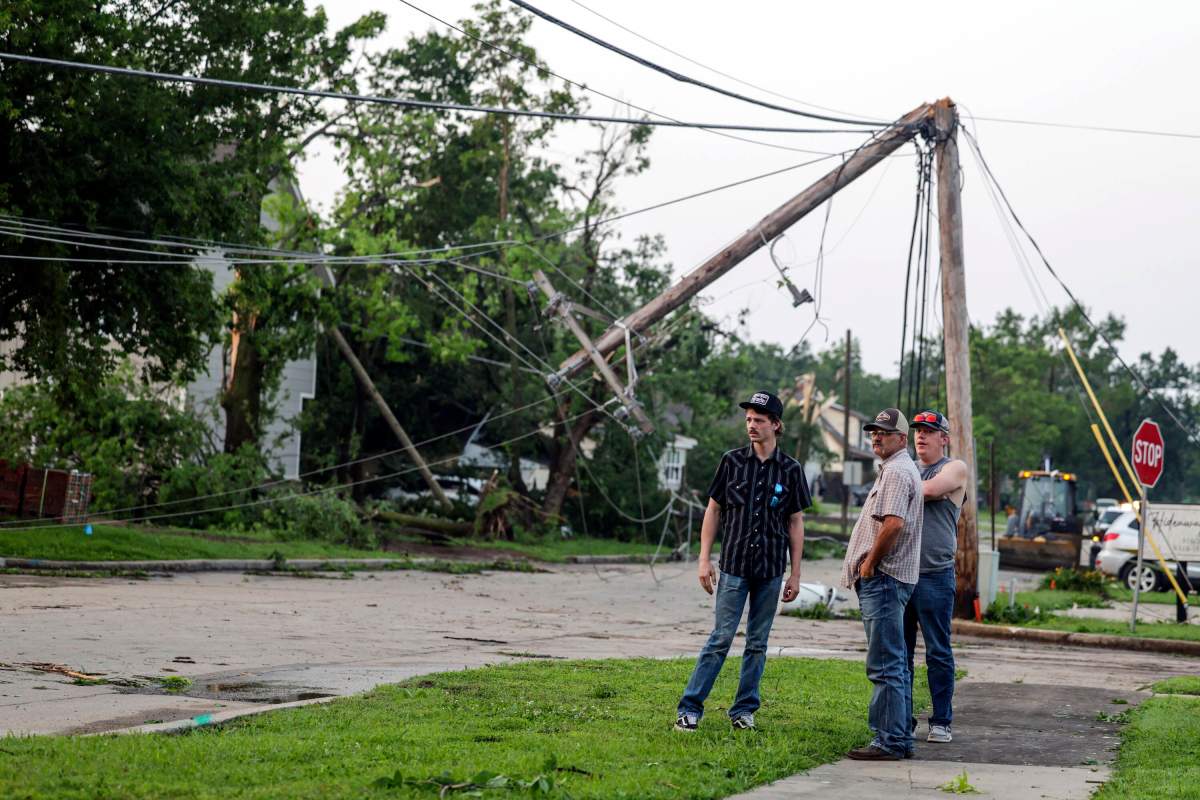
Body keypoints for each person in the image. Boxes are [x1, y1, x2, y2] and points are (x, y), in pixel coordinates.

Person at [675, 390, 811, 732]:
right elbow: (714, 510)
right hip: (733, 566)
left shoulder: (791, 470)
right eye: (749, 419)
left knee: (757, 643)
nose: (752, 425)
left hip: (769, 570)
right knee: (720, 638)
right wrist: (703, 559)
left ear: (776, 425)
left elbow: (795, 522)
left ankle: (744, 710)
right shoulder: (731, 461)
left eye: (759, 420)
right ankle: (690, 708)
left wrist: (795, 574)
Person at [840, 408, 924, 760]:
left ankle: (888, 741)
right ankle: (899, 737)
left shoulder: (897, 472)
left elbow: (892, 525)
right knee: (896, 662)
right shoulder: (898, 469)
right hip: (890, 580)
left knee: (885, 665)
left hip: (885, 580)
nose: (876, 437)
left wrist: (871, 563)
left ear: (901, 439)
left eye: (884, 433)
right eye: (874, 432)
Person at [905, 410, 967, 745]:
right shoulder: (906, 467)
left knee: (938, 652)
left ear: (944, 437)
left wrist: (924, 489)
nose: (921, 436)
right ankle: (904, 720)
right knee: (901, 654)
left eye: (929, 431)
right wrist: (924, 489)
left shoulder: (955, 467)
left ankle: (941, 721)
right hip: (901, 575)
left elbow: (927, 491)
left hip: (935, 575)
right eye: (917, 430)